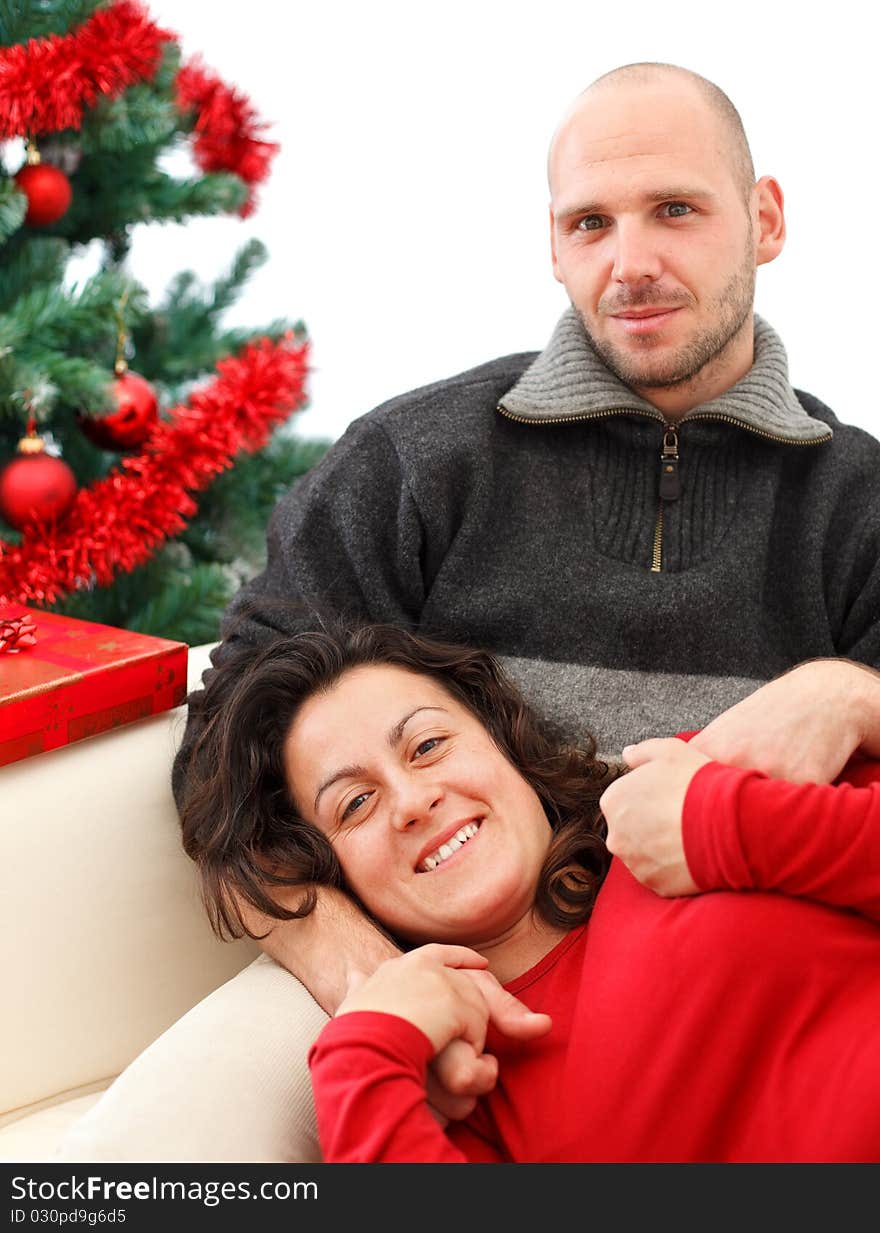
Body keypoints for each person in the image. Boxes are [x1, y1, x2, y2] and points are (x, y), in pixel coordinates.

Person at [173, 60, 880, 1114]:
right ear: (553, 244)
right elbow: (224, 742)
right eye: (590, 224)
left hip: (759, 1028)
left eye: (675, 211)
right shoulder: (416, 463)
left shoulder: (855, 504)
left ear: (765, 218)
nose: (630, 263)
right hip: (493, 1037)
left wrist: (849, 692)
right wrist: (360, 975)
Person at [179, 621, 880, 1163]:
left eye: (427, 745)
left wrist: (727, 823)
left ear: (505, 740)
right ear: (332, 871)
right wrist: (368, 1045)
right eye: (355, 803)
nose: (413, 800)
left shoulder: (680, 786)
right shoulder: (466, 1082)